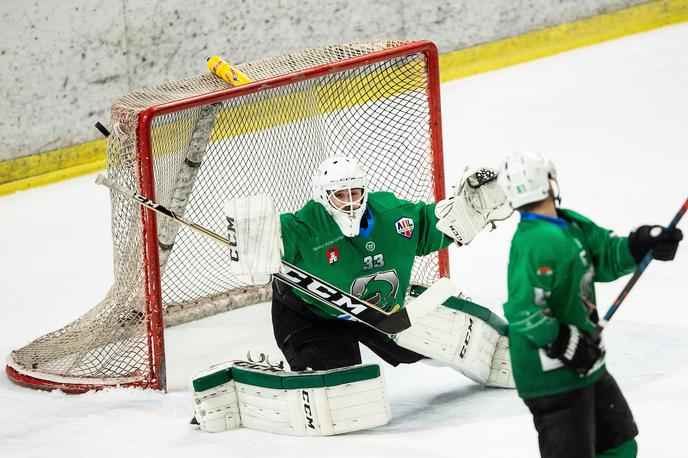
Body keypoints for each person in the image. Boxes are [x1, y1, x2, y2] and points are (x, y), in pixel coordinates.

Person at [224, 155, 515, 388]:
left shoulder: (393, 216)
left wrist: (467, 211)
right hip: (312, 315)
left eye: (355, 192)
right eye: (340, 195)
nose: (350, 201)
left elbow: (433, 225)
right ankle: (256, 375)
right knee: (339, 391)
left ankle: (505, 354)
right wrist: (254, 238)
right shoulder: (304, 227)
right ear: (323, 197)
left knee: (436, 339)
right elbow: (271, 238)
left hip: (381, 315)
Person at [497, 150, 683, 458]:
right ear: (548, 182)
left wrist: (641, 245)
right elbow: (522, 311)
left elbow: (606, 255)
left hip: (586, 366)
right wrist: (566, 342)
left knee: (620, 445)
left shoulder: (569, 224)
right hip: (553, 379)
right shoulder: (533, 243)